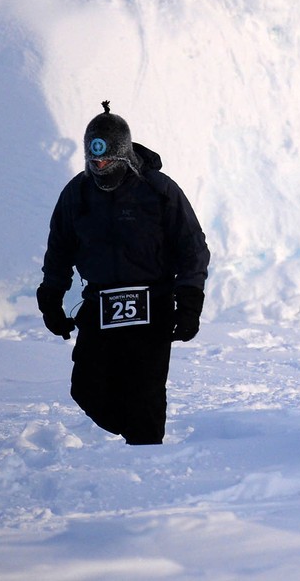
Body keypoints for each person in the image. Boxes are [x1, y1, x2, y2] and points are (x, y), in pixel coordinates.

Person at [36, 102, 210, 444]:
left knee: (145, 395)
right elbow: (59, 251)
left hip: (153, 307)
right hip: (100, 307)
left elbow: (192, 249)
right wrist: (51, 300)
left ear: (125, 156)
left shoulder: (159, 190)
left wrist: (189, 305)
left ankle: (146, 463)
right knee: (86, 390)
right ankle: (137, 434)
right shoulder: (76, 194)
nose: (100, 167)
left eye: (107, 161)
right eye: (94, 161)